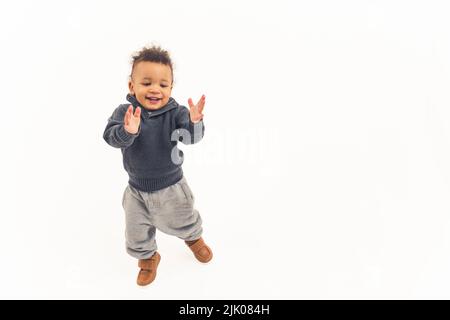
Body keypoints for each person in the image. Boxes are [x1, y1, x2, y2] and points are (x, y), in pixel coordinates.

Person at [103, 45, 212, 286]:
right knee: (136, 231)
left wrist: (194, 122)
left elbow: (190, 138)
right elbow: (109, 137)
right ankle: (148, 258)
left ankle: (193, 238)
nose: (155, 89)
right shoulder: (125, 113)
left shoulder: (176, 113)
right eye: (146, 82)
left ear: (171, 88)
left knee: (183, 218)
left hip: (172, 186)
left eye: (163, 85)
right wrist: (126, 131)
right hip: (136, 190)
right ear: (132, 86)